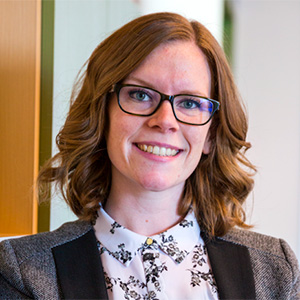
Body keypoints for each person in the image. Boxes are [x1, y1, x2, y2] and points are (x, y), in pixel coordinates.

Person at [0, 12, 299, 300]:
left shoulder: (276, 271)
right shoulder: (23, 271)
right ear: (101, 114)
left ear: (211, 134)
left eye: (190, 103)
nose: (165, 120)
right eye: (141, 95)